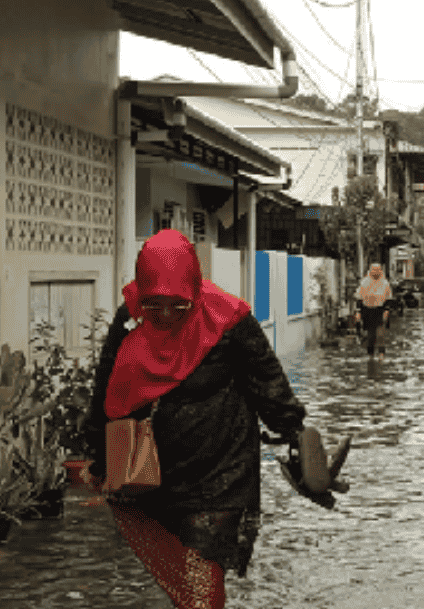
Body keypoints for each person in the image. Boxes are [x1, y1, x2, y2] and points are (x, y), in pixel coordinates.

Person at [82, 230, 325, 609]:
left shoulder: (229, 321)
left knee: (203, 574)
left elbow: (267, 380)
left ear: (194, 291)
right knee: (184, 575)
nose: (164, 315)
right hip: (157, 476)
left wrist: (295, 433)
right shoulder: (130, 320)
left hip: (221, 473)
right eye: (155, 305)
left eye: (176, 306)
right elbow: (107, 388)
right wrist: (99, 451)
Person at [354, 263, 393, 360]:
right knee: (371, 335)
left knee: (380, 334)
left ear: (380, 271)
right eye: (374, 270)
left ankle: (381, 354)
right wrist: (358, 312)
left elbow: (388, 299)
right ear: (370, 271)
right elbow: (359, 298)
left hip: (380, 310)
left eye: (378, 270)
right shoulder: (365, 282)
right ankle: (370, 355)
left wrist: (386, 311)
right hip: (367, 310)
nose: (376, 272)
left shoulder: (385, 283)